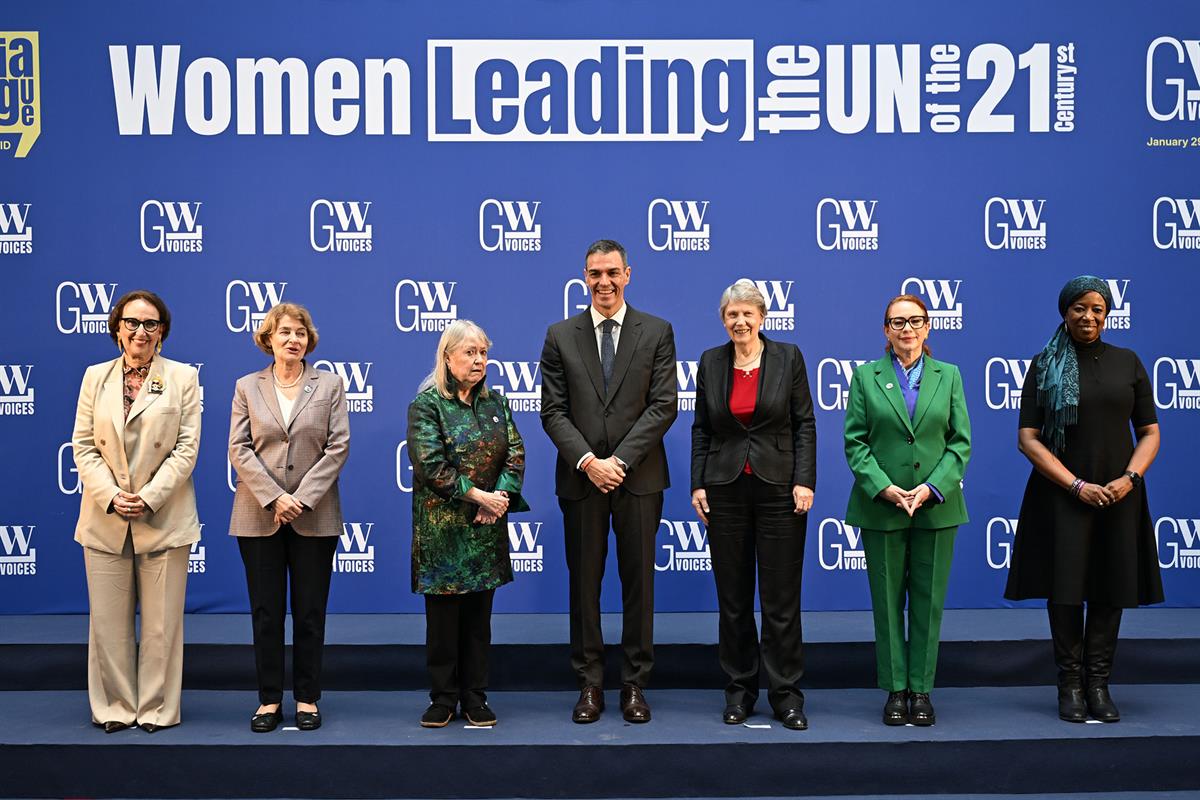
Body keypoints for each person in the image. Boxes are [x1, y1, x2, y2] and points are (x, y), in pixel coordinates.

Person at [1005, 276, 1162, 724]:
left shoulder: (1128, 362)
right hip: (1062, 494)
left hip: (1119, 494)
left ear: (1107, 314)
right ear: (1065, 313)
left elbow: (1150, 432)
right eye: (1079, 308)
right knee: (1066, 590)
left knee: (1112, 586)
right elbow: (1028, 438)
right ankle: (1070, 685)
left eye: (1097, 309)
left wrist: (1130, 478)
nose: (1088, 316)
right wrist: (1075, 485)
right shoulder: (1044, 365)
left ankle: (1099, 683)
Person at [540, 239, 678, 724]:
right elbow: (553, 411)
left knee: (640, 585)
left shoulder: (656, 331)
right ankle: (590, 684)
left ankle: (635, 684)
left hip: (639, 479)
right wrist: (588, 461)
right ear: (585, 277)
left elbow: (664, 404)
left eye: (612, 273)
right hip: (581, 482)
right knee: (584, 586)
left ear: (628, 274)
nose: (604, 282)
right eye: (595, 273)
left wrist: (617, 460)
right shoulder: (560, 335)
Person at [71, 289, 201, 734]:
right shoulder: (95, 377)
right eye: (132, 322)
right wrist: (111, 495)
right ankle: (115, 707)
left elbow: (186, 448)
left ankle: (156, 708)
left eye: (150, 324)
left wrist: (148, 496)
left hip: (163, 515)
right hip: (105, 516)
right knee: (108, 625)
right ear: (117, 329)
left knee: (163, 626)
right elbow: (83, 445)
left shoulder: (183, 377)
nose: (140, 331)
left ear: (161, 331)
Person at [690, 279, 816, 730]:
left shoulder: (788, 357)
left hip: (780, 489)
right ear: (723, 320)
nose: (740, 321)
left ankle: (786, 695)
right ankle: (739, 691)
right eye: (732, 314)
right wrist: (698, 484)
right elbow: (702, 427)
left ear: (762, 317)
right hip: (724, 489)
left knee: (781, 600)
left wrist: (804, 480)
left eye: (748, 313)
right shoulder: (710, 361)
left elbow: (804, 423)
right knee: (734, 599)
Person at [843, 294, 971, 727]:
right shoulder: (866, 377)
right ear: (886, 330)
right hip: (882, 508)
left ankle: (921, 690)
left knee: (928, 604)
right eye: (897, 322)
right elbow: (855, 442)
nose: (907, 329)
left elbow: (960, 442)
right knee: (886, 604)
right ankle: (896, 689)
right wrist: (884, 487)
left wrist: (933, 487)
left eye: (915, 321)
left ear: (927, 327)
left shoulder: (949, 375)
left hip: (936, 508)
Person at [228, 303, 350, 733]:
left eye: (300, 333)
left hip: (314, 515)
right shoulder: (247, 386)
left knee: (310, 612)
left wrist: (301, 498)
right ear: (269, 339)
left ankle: (306, 698)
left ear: (309, 340)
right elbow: (239, 448)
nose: (293, 339)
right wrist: (275, 498)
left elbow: (338, 446)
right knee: (266, 612)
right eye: (284, 332)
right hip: (258, 514)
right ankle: (268, 700)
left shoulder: (330, 385)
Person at [407, 320, 529, 728]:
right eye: (470, 353)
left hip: (485, 529)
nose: (479, 361)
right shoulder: (427, 405)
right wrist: (478, 496)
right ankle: (443, 698)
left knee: (479, 621)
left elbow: (515, 453)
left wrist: (499, 500)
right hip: (442, 533)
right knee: (443, 624)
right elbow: (430, 465)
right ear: (448, 357)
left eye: (483, 353)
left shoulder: (497, 404)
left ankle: (475, 695)